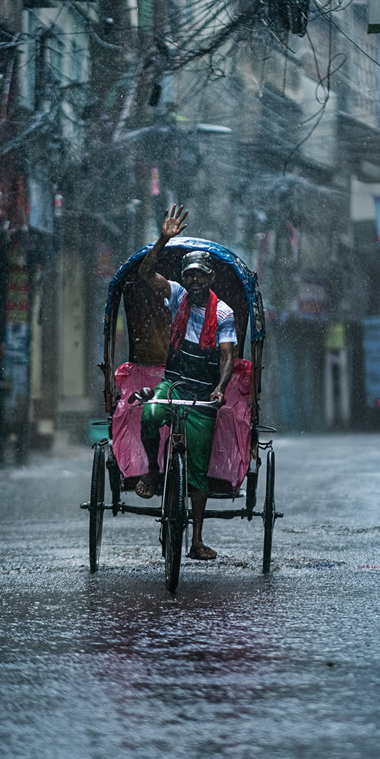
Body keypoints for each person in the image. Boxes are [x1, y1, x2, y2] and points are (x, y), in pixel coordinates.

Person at [135, 204, 236, 561]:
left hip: (203, 391)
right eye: (189, 275)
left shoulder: (223, 313)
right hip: (175, 383)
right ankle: (151, 470)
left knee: (197, 471)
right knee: (149, 414)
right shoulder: (176, 295)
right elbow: (146, 273)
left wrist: (220, 387)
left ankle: (196, 540)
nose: (193, 281)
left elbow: (227, 357)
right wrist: (163, 239)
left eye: (200, 276)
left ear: (210, 280)